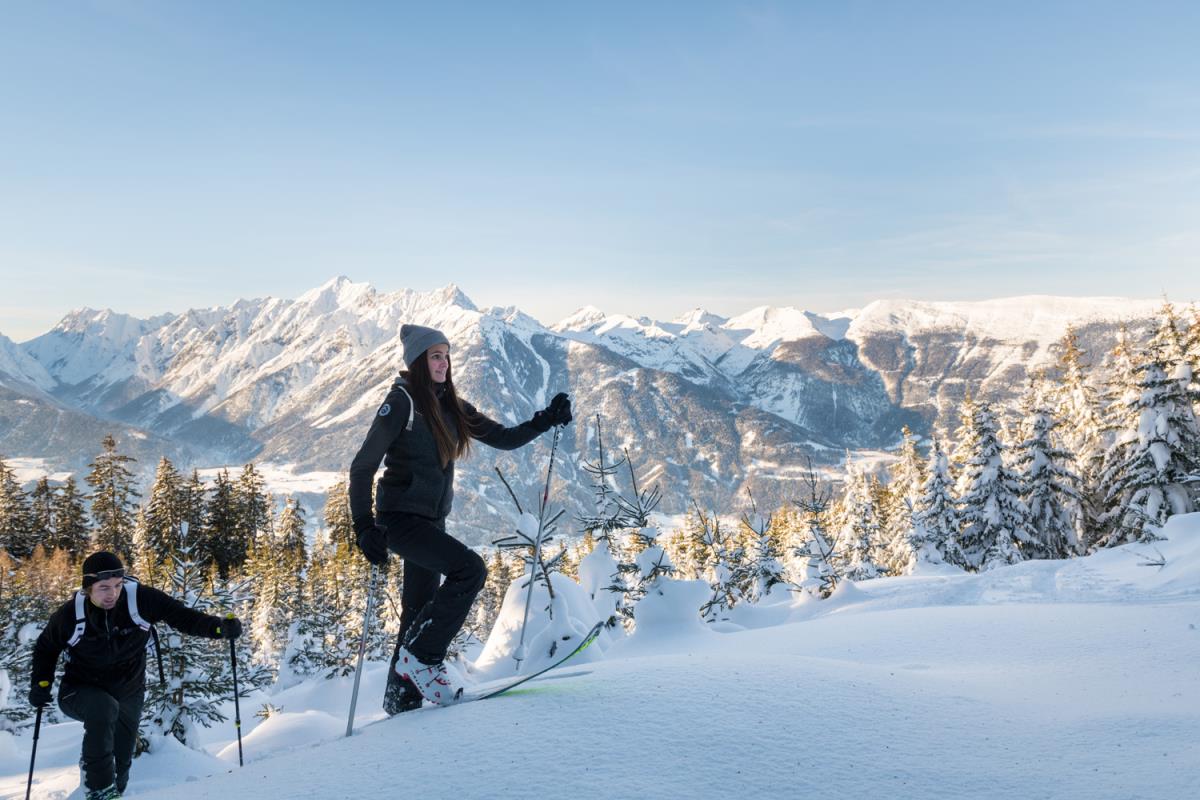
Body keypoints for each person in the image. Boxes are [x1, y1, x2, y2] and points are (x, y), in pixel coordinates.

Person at [349, 323, 572, 709]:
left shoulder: (450, 405)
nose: (444, 362)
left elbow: (503, 438)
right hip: (399, 521)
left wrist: (545, 420)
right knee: (470, 569)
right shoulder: (401, 402)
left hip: (431, 521)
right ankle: (423, 660)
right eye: (436, 355)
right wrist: (363, 526)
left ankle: (401, 702)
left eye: (447, 355)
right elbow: (362, 465)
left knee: (418, 613)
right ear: (419, 361)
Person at [28, 551, 243, 800]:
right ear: (88, 588)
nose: (112, 594)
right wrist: (40, 684)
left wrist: (218, 627)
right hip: (79, 690)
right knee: (103, 708)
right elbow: (46, 647)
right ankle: (98, 790)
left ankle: (107, 786)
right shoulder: (70, 615)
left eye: (118, 585)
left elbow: (181, 617)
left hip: (129, 690)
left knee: (120, 767)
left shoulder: (140, 600)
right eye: (104, 587)